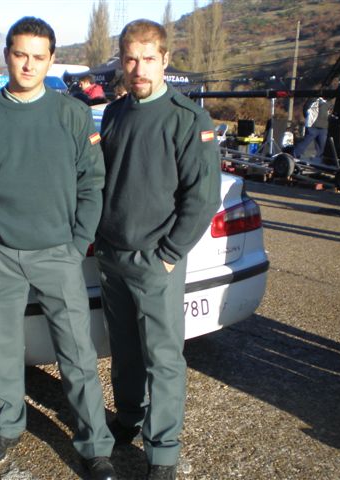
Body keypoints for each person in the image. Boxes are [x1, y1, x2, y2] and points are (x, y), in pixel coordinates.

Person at [0, 17, 116, 480]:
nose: (29, 64)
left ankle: (95, 447)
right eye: (20, 54)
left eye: (39, 56)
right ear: (7, 55)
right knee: (2, 350)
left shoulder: (72, 115)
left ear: (52, 59)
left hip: (59, 252)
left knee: (77, 354)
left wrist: (76, 245)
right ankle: (4, 430)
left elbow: (92, 184)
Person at [95, 20, 221, 480]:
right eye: (130, 59)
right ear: (121, 62)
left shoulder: (187, 118)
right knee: (125, 349)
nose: (138, 68)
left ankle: (163, 451)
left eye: (148, 59)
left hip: (155, 261)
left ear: (165, 61)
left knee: (163, 357)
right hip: (111, 256)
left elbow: (203, 198)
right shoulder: (114, 114)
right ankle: (128, 417)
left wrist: (168, 253)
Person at [293, 96, 332, 161]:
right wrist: (309, 119)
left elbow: (329, 113)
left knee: (322, 145)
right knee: (305, 142)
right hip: (313, 126)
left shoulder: (328, 102)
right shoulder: (314, 100)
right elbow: (305, 109)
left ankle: (319, 159)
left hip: (323, 128)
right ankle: (294, 155)